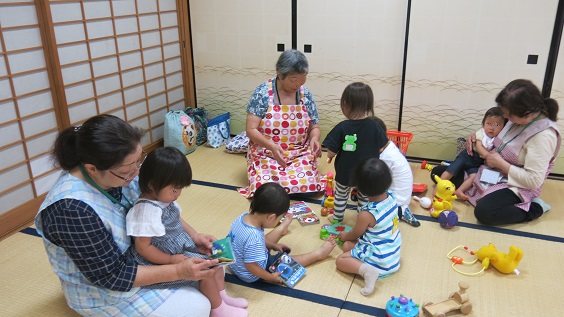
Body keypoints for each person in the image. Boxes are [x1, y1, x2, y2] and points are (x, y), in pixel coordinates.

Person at [34, 114, 220, 316]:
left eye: (139, 160)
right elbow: (112, 276)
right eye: (128, 169)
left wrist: (194, 237)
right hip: (106, 289)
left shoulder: (121, 172)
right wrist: (178, 270)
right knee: (197, 306)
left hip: (143, 259)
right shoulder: (70, 210)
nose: (136, 172)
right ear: (92, 169)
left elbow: (162, 209)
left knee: (214, 264)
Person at [126, 147, 248, 317]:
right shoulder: (145, 211)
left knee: (216, 259)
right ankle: (217, 309)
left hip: (176, 248)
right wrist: (170, 260)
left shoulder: (162, 199)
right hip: (158, 260)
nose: (179, 194)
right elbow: (143, 248)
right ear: (152, 185)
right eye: (175, 190)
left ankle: (222, 297)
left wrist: (195, 235)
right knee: (205, 271)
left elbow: (178, 219)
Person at [458, 79, 559, 225]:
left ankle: (535, 207)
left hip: (517, 184)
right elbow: (494, 133)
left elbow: (533, 180)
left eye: (508, 114)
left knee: (485, 212)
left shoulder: (544, 136)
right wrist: (477, 136)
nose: (505, 117)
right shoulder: (516, 119)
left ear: (527, 113)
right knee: (440, 172)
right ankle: (482, 189)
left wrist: (501, 164)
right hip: (492, 169)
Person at [238, 49, 324, 198]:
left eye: (303, 78)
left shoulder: (305, 94)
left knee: (309, 184)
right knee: (266, 189)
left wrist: (315, 139)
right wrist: (271, 146)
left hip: (299, 153)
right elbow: (251, 129)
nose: (298, 84)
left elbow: (314, 127)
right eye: (293, 79)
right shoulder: (263, 93)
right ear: (279, 74)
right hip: (266, 152)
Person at [228, 182, 337, 284]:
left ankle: (282, 228)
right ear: (271, 217)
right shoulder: (254, 237)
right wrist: (269, 277)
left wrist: (273, 245)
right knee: (282, 260)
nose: (277, 221)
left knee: (260, 241)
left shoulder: (244, 217)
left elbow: (248, 242)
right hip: (249, 273)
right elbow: (251, 265)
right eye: (278, 219)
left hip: (234, 264)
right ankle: (318, 254)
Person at [322, 82, 389, 223]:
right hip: (367, 174)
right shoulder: (375, 126)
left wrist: (330, 155)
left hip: (344, 173)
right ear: (368, 106)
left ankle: (337, 218)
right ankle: (362, 220)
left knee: (341, 196)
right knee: (364, 198)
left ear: (345, 104)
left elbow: (330, 151)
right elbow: (383, 147)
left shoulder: (342, 127)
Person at [335, 157, 402, 296]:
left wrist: (344, 235)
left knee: (340, 260)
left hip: (378, 259)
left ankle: (368, 271)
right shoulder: (392, 198)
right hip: (392, 256)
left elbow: (355, 234)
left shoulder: (366, 214)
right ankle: (368, 267)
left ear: (360, 188)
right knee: (348, 246)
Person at [437, 107, 507, 200]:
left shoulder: (498, 139)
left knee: (473, 177)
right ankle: (439, 186)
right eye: (489, 124)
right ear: (483, 124)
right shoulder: (481, 133)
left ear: (503, 128)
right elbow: (478, 146)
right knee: (452, 169)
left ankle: (460, 191)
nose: (492, 128)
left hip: (477, 164)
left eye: (497, 125)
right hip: (467, 156)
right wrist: (488, 156)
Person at [371, 116, 420, 227]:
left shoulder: (385, 159)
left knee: (366, 214)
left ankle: (399, 213)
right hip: (403, 200)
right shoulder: (390, 147)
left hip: (394, 206)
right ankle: (403, 210)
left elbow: (376, 183)